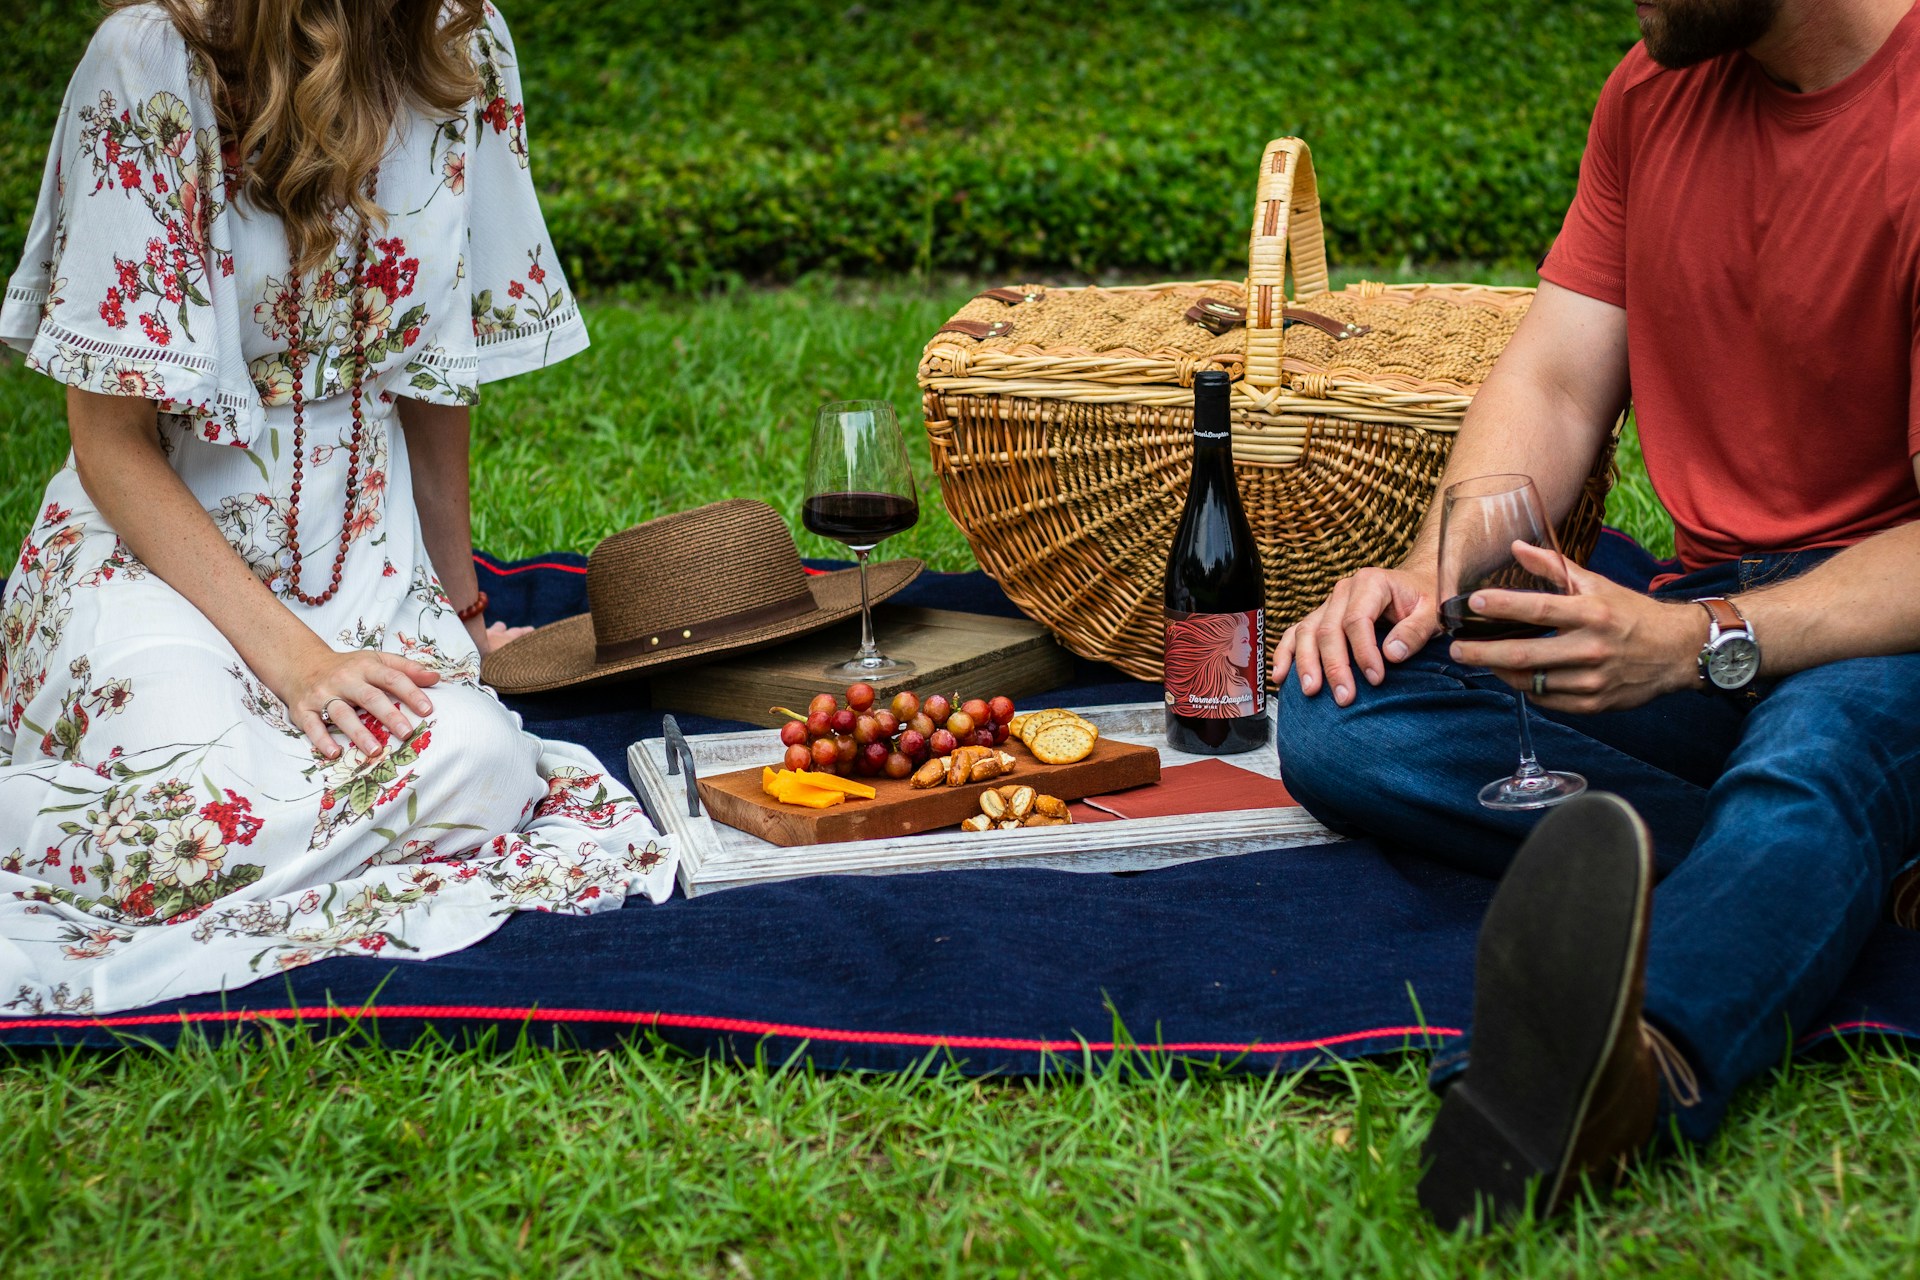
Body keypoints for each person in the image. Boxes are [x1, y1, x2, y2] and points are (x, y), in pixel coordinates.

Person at [1273, 0, 1920, 1229]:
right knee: (1345, 706)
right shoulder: (1650, 91)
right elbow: (1558, 381)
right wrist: (1428, 576)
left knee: (1821, 746)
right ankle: (1823, 872)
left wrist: (1701, 641)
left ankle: (1627, 1067)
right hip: (1703, 616)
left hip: (1886, 632)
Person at [0, 0, 677, 1019]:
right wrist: (298, 663)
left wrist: (459, 608)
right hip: (154, 562)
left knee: (487, 763)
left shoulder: (459, 41)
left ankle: (281, 823)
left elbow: (434, 371)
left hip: (363, 559)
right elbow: (111, 446)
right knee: (188, 822)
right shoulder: (149, 58)